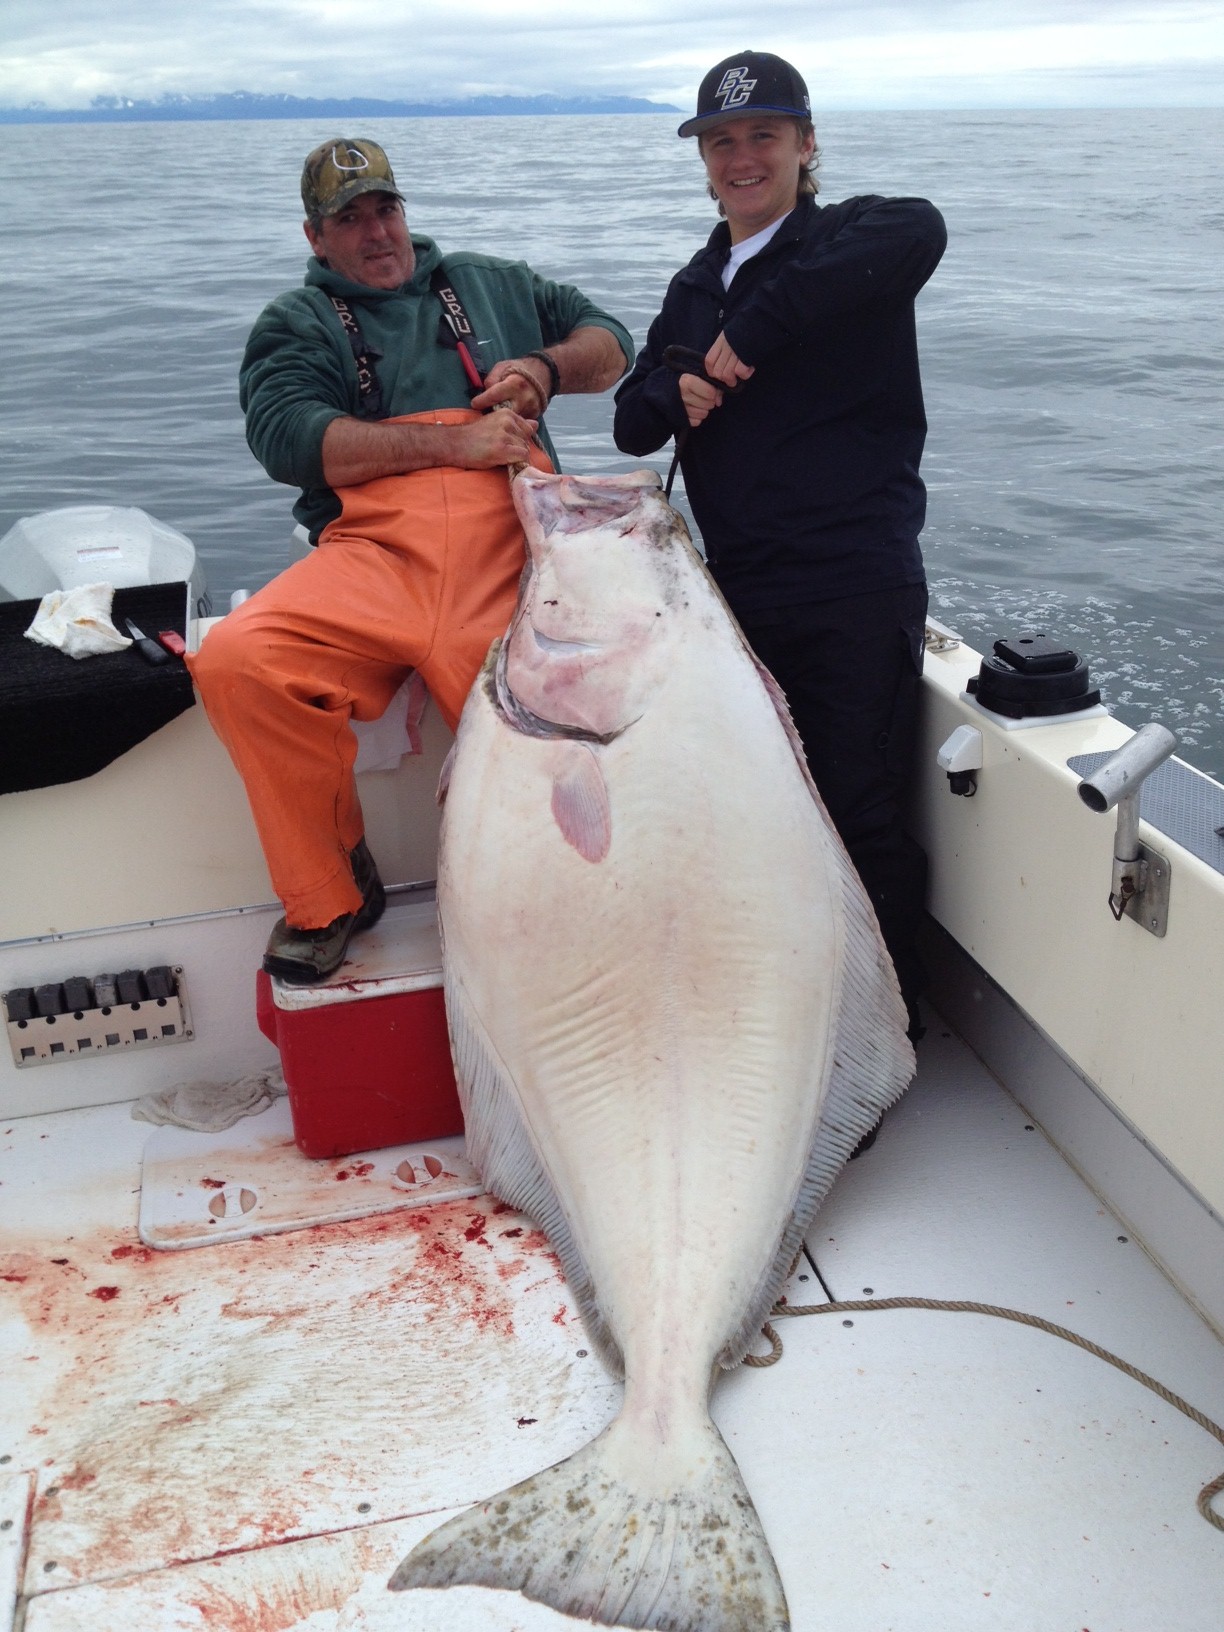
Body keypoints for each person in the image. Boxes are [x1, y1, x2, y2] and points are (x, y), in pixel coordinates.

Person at [191, 138, 632, 984]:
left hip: (513, 548)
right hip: (373, 558)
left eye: (385, 209)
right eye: (348, 220)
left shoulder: (490, 283)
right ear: (315, 237)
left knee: (542, 718)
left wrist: (544, 369)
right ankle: (331, 892)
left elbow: (613, 343)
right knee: (241, 661)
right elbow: (287, 438)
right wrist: (459, 443)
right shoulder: (299, 320)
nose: (375, 232)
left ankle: (563, 907)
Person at [613, 51, 946, 1040]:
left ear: (806, 144)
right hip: (738, 599)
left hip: (852, 584)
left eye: (763, 136)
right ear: (704, 161)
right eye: (722, 143)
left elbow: (923, 225)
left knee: (857, 809)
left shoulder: (851, 241)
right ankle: (794, 1012)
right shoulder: (694, 283)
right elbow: (635, 420)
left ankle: (885, 1036)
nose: (742, 158)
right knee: (760, 816)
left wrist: (761, 325)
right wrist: (674, 389)